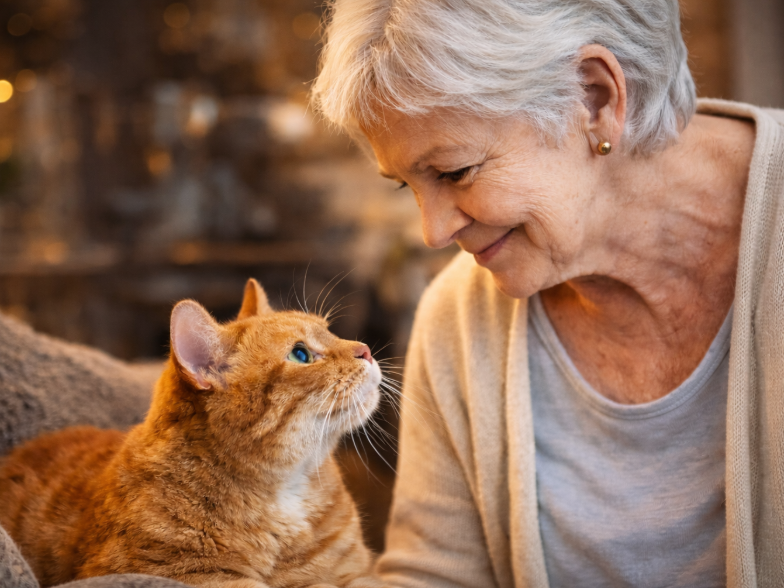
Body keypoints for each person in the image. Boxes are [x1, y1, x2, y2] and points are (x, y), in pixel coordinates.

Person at [311, 0, 783, 587]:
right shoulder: (459, 318)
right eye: (406, 185)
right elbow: (438, 575)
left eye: (455, 171)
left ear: (594, 98)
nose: (433, 232)